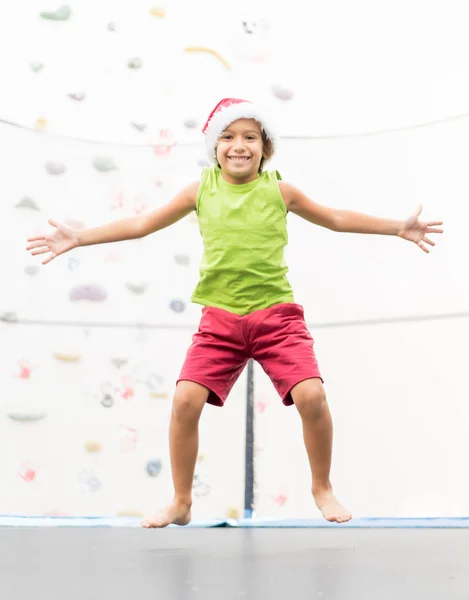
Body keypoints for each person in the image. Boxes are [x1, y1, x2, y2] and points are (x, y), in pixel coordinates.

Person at [26, 97, 443, 527]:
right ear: (214, 146)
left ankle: (322, 487)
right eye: (227, 137)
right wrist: (79, 237)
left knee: (312, 396)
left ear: (265, 148)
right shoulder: (200, 190)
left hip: (276, 318)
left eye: (249, 137)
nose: (238, 145)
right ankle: (182, 500)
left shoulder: (280, 191)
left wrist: (396, 227)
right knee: (186, 400)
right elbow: (140, 224)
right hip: (220, 320)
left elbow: (335, 217)